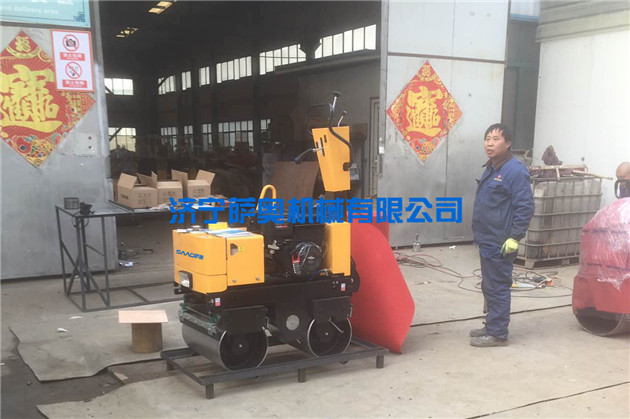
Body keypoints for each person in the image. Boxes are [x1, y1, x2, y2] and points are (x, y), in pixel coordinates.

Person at [471, 123, 535, 347]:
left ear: (507, 144)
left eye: (495, 139)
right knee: (489, 286)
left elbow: (525, 206)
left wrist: (514, 237)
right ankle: (491, 325)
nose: (490, 144)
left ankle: (497, 334)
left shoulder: (515, 171)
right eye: (487, 139)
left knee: (497, 287)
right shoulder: (492, 167)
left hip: (501, 241)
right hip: (487, 239)